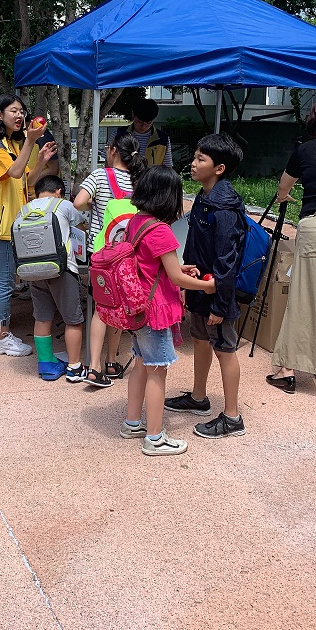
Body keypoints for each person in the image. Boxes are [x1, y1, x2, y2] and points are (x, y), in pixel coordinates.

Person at [117, 167, 216, 456]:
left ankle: (132, 423)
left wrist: (179, 268)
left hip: (137, 308)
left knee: (141, 364)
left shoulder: (136, 222)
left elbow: (152, 264)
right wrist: (207, 286)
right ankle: (155, 437)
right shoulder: (160, 229)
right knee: (157, 372)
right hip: (154, 311)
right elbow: (175, 278)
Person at [165, 134, 247, 438]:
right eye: (195, 156)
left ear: (219, 168)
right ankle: (199, 398)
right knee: (199, 339)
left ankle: (233, 417)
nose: (193, 163)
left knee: (225, 348)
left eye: (201, 159)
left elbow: (227, 261)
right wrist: (187, 281)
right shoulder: (203, 197)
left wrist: (221, 305)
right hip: (200, 286)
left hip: (217, 291)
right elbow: (194, 245)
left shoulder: (224, 208)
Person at [268, 98, 316, 394]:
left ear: (315, 121)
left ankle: (288, 369)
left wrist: (284, 196)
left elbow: (283, 187)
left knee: (307, 298)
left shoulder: (305, 150)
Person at [0, 95, 57, 357]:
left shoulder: (11, 143)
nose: (19, 116)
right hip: (3, 225)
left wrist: (40, 160)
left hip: (4, 222)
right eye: (13, 111)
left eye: (21, 111)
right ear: (0, 115)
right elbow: (15, 172)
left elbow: (26, 180)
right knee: (4, 283)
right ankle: (1, 335)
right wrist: (31, 141)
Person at [73, 131, 148, 384]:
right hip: (128, 253)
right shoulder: (139, 180)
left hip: (102, 253)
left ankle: (94, 367)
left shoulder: (99, 176)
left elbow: (78, 202)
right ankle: (112, 361)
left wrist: (93, 206)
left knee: (100, 307)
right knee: (119, 304)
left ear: (113, 150)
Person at [23, 175, 87, 382]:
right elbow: (81, 231)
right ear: (59, 191)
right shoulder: (64, 205)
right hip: (61, 269)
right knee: (73, 319)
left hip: (33, 270)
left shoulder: (24, 209)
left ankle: (46, 365)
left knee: (42, 317)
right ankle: (75, 367)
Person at [111, 98, 173, 168]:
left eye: (148, 123)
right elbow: (109, 162)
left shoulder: (163, 139)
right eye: (140, 122)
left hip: (152, 175)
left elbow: (168, 167)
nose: (144, 126)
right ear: (133, 115)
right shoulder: (118, 134)